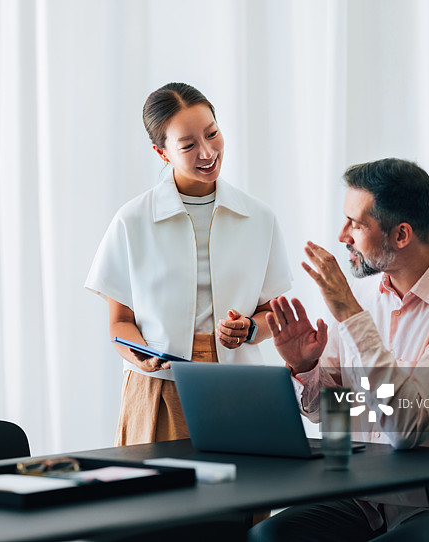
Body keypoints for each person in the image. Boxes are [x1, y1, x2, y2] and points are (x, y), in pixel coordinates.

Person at [249, 158, 429, 542]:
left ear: (401, 234)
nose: (343, 236)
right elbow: (330, 412)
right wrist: (304, 366)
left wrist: (352, 317)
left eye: (356, 224)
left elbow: (407, 429)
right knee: (269, 536)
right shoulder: (360, 297)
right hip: (368, 503)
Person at [85, 82, 292, 445]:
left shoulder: (259, 218)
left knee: (245, 497)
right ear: (161, 152)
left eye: (212, 134)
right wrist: (141, 357)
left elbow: (270, 313)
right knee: (160, 499)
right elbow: (119, 322)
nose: (208, 151)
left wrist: (249, 328)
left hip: (239, 386)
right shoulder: (132, 221)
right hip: (159, 388)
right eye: (188, 145)